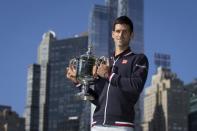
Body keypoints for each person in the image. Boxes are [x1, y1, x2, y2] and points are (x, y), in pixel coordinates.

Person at [66, 16, 149, 131]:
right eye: (118, 31)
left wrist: (108, 75)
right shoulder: (103, 62)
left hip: (121, 125)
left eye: (125, 32)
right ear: (112, 34)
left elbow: (136, 86)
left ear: (132, 35)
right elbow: (97, 99)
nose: (120, 35)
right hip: (97, 125)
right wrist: (78, 83)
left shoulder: (138, 59)